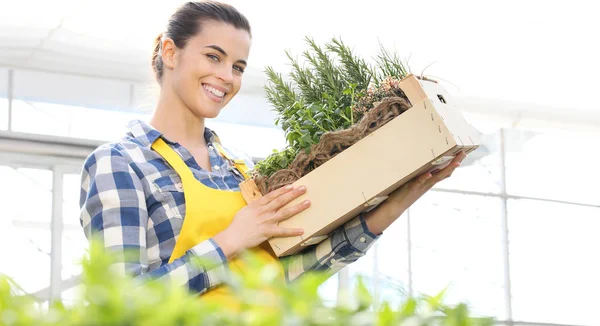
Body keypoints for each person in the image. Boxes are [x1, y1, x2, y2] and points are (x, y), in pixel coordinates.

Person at [79, 0, 465, 304]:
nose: (227, 77)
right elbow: (122, 304)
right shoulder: (121, 163)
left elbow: (287, 274)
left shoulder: (241, 171)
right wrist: (232, 239)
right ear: (170, 51)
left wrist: (397, 201)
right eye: (213, 57)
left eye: (238, 66)